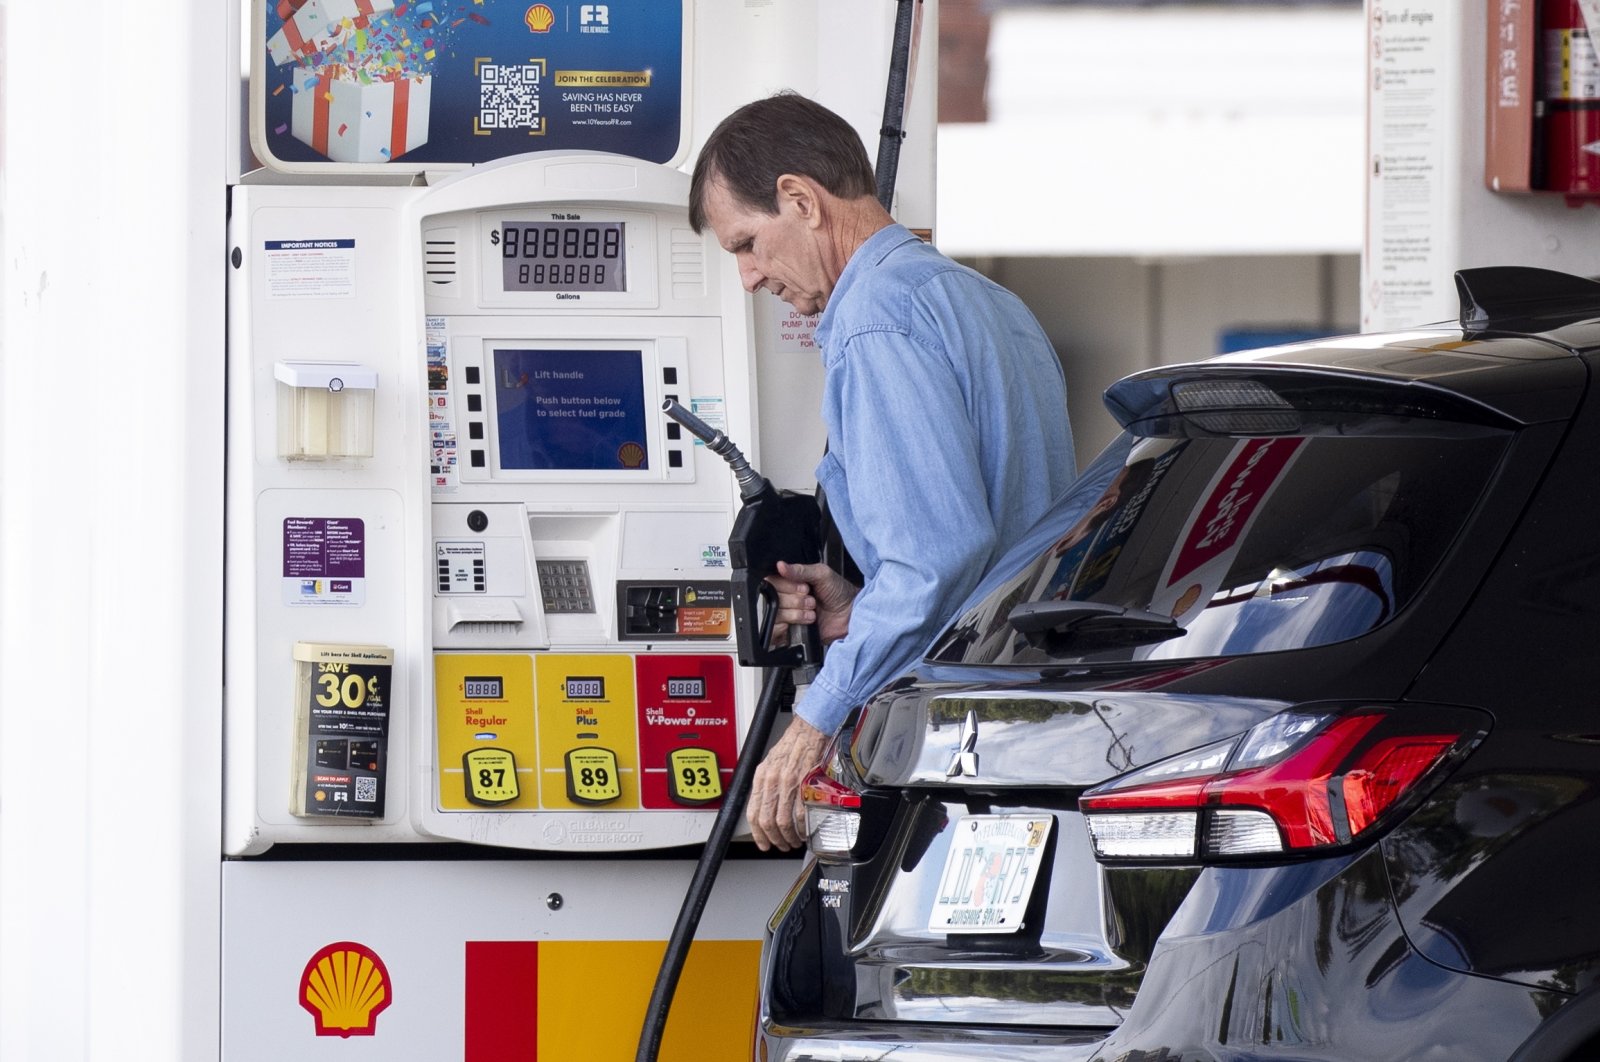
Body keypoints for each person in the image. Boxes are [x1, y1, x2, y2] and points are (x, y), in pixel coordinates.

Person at [688, 92, 1077, 851]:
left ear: (800, 199)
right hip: (1029, 729)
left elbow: (936, 558)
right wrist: (859, 610)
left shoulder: (875, 323)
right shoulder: (988, 302)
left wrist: (814, 722)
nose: (747, 275)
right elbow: (992, 547)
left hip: (959, 748)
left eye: (747, 244)